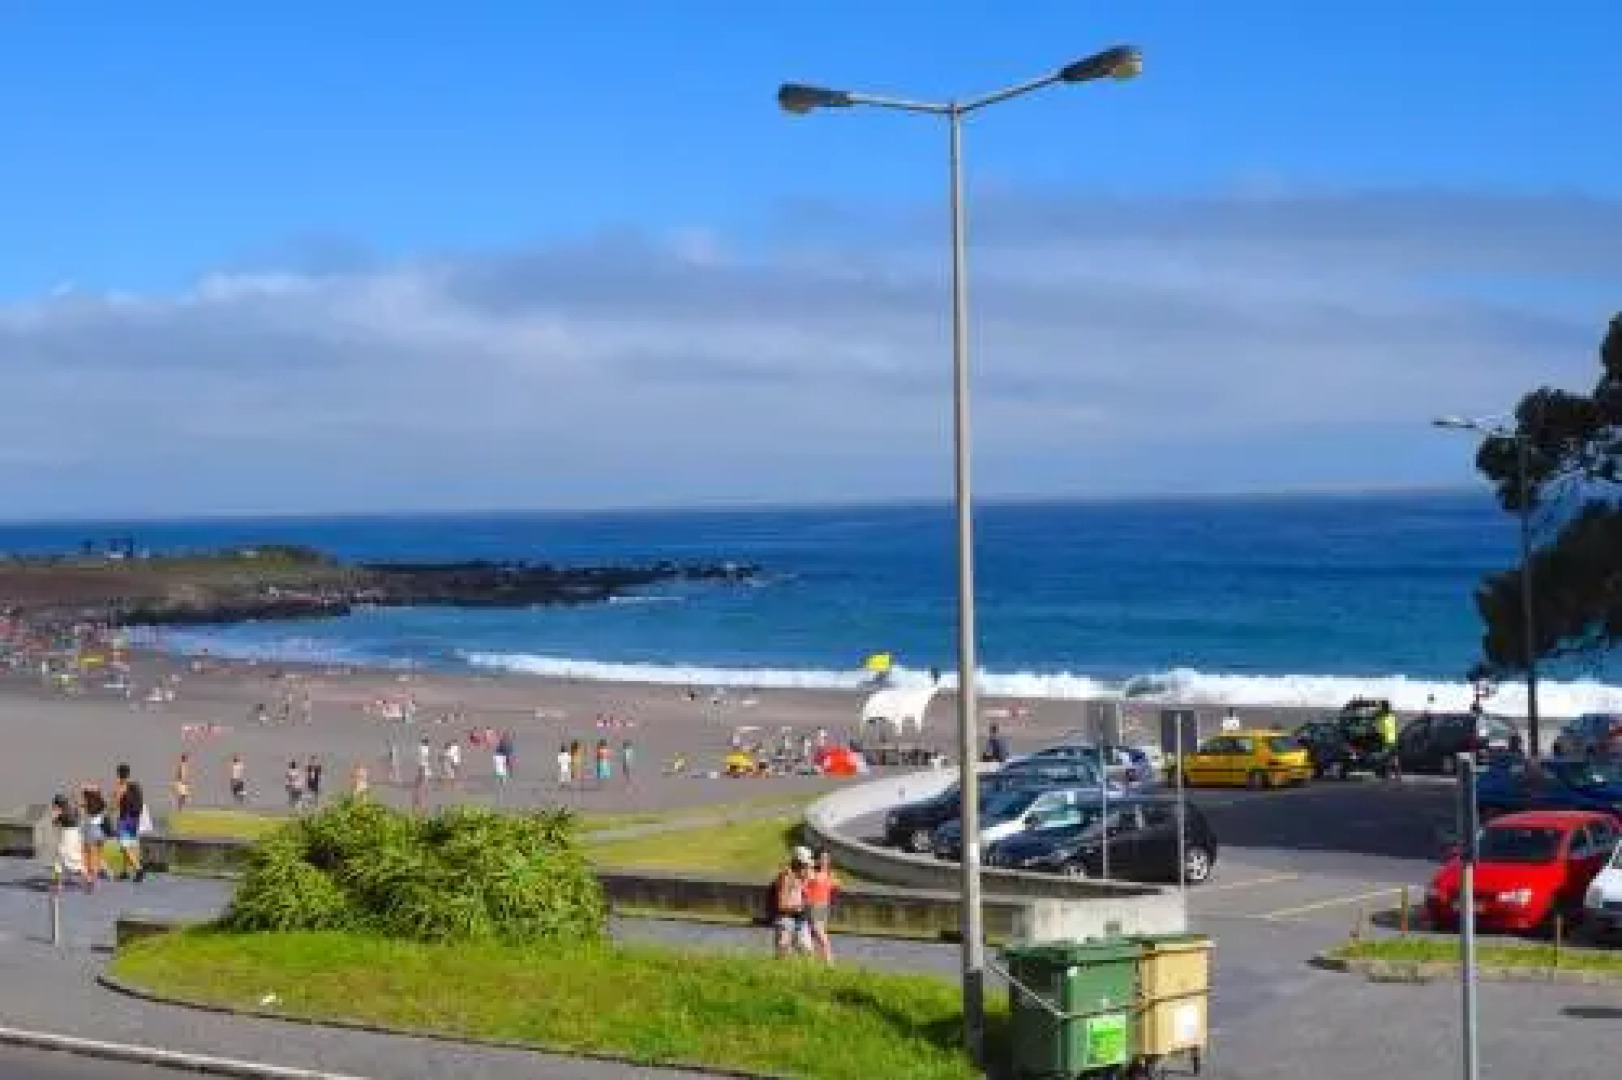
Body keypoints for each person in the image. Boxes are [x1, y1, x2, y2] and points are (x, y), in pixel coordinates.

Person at [771, 847, 813, 958]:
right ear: (797, 862)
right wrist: (798, 907)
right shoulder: (786, 876)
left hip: (800, 919)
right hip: (786, 919)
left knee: (807, 952)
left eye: (807, 865)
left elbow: (805, 898)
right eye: (805, 864)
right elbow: (781, 904)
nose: (807, 867)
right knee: (783, 954)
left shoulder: (802, 877)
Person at [803, 849, 840, 964]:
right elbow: (803, 886)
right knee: (817, 935)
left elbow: (835, 888)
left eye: (827, 858)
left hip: (823, 906)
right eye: (822, 858)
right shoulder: (811, 872)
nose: (825, 861)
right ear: (817, 860)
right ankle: (823, 962)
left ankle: (822, 961)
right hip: (812, 905)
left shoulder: (830, 874)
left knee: (817, 934)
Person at [111, 763, 146, 882]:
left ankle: (138, 869)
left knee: (125, 846)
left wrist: (113, 797)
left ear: (118, 774)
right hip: (135, 820)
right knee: (129, 845)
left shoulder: (121, 787)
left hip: (125, 820)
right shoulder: (136, 785)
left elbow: (114, 806)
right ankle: (125, 871)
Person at [1377, 701, 1401, 780]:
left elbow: (1379, 730)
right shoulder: (1391, 717)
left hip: (1385, 740)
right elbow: (1395, 727)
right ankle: (1396, 773)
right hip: (1393, 740)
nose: (1379, 708)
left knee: (1386, 757)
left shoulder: (1382, 718)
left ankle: (1387, 774)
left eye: (1380, 706)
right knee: (1393, 757)